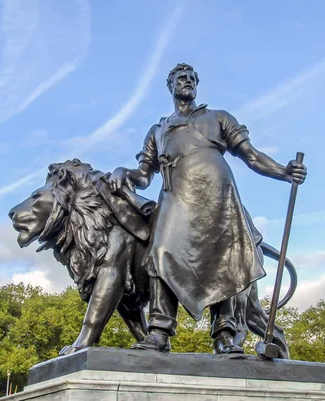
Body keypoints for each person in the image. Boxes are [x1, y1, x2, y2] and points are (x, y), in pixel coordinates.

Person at [108, 63, 307, 354]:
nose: (186, 81)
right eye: (180, 78)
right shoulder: (158, 130)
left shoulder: (219, 118)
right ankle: (159, 333)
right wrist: (121, 171)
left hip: (218, 198)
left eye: (191, 78)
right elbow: (143, 175)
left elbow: (250, 156)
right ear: (170, 86)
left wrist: (284, 171)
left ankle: (225, 335)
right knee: (160, 254)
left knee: (224, 258)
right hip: (175, 200)